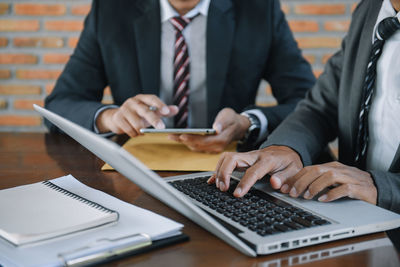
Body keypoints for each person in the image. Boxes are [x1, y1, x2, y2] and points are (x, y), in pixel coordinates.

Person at [44, 0, 315, 153]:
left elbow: (309, 103)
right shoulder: (112, 10)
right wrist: (112, 118)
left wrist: (248, 123)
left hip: (226, 173)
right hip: (137, 174)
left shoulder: (258, 10)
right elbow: (60, 103)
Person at [211, 0, 400, 214]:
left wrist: (383, 188)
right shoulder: (371, 9)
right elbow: (320, 107)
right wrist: (285, 149)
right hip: (349, 219)